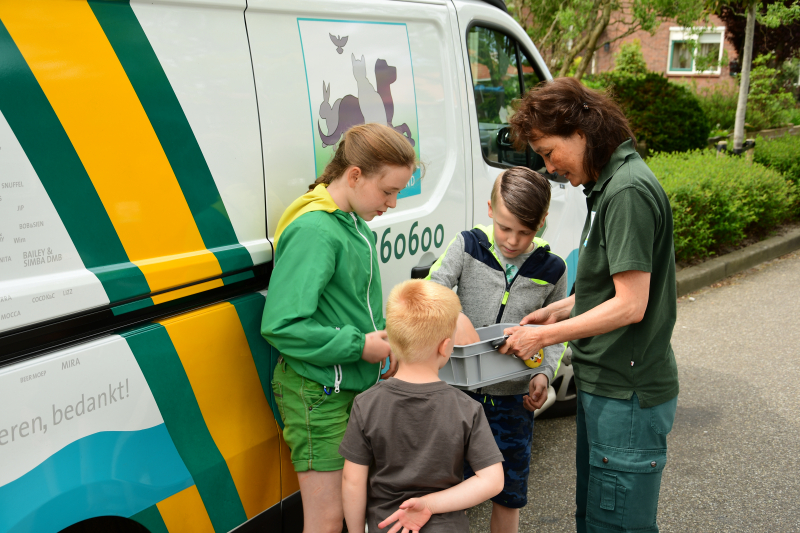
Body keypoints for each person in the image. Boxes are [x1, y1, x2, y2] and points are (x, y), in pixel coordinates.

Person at [505, 77, 679, 533]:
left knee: (615, 525)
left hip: (628, 391)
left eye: (548, 152)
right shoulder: (609, 187)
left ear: (580, 134)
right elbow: (611, 288)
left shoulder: (625, 192)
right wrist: (559, 309)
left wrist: (540, 336)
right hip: (609, 385)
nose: (548, 167)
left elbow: (630, 306)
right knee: (598, 518)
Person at [261, 123, 417, 533]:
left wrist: (388, 341)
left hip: (344, 386)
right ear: (354, 175)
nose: (394, 202)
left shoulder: (353, 224)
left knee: (353, 506)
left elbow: (356, 305)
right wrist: (359, 346)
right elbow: (281, 325)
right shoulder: (316, 230)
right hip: (317, 393)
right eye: (388, 191)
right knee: (327, 518)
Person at [426, 167, 568, 533]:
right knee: (445, 490)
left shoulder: (553, 269)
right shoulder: (467, 244)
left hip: (512, 403)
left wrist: (542, 373)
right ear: (490, 209)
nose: (512, 240)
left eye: (525, 231)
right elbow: (429, 290)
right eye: (505, 227)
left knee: (508, 492)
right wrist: (453, 314)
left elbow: (554, 332)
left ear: (542, 222)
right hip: (455, 397)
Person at [339, 279, 505, 533]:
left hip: (388, 526)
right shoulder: (466, 409)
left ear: (392, 343)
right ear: (445, 347)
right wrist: (429, 503)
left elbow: (352, 480)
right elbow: (492, 481)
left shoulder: (366, 404)